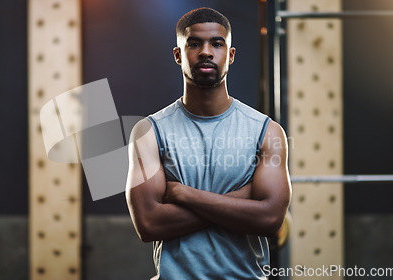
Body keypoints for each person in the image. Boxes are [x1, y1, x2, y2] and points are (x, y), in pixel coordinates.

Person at [125, 7, 291, 280]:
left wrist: (183, 194)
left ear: (231, 55)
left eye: (217, 43)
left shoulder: (267, 131)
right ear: (178, 55)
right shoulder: (149, 132)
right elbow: (149, 224)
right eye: (194, 43)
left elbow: (271, 220)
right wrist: (242, 200)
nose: (205, 52)